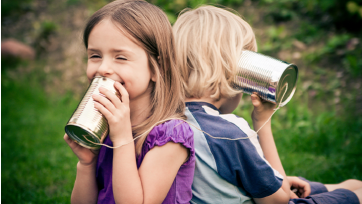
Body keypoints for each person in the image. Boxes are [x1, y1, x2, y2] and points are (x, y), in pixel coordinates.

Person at [173, 5, 362, 204]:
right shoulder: (228, 132)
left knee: (348, 183)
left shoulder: (168, 120)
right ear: (236, 72)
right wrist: (263, 122)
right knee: (357, 193)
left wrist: (280, 183)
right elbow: (279, 201)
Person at [64, 0, 195, 203]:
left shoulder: (170, 135)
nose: (103, 68)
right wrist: (87, 164)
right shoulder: (106, 128)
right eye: (95, 55)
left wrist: (122, 139)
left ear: (156, 68)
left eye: (121, 58)